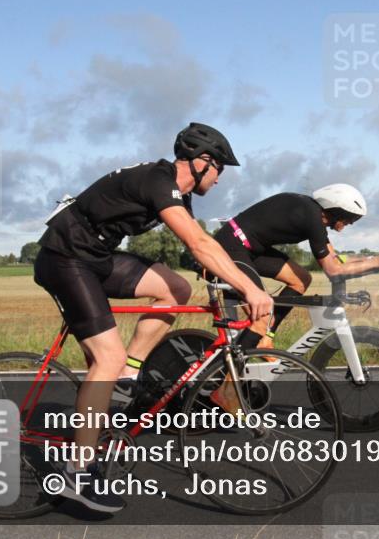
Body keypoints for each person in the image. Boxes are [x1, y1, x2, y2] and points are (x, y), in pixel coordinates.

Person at [33, 122, 272, 513]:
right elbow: (199, 241)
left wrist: (228, 279)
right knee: (103, 358)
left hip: (97, 256)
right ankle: (76, 472)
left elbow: (202, 249)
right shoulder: (159, 181)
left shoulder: (177, 192)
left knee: (175, 289)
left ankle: (128, 372)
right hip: (66, 257)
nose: (220, 179)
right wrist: (250, 289)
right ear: (202, 162)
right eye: (220, 170)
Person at [213, 184, 379, 352]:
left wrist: (372, 259)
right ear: (336, 210)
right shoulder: (312, 218)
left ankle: (265, 338)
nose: (345, 227)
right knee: (262, 316)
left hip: (250, 249)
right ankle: (228, 384)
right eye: (346, 220)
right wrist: (376, 262)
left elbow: (336, 260)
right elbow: (333, 270)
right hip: (230, 248)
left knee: (302, 279)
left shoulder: (311, 213)